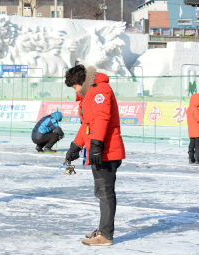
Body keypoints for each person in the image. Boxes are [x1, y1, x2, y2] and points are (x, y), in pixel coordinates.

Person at [64, 65, 125, 246]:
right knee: (101, 192)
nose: (75, 91)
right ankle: (102, 229)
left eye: (74, 87)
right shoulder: (89, 94)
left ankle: (106, 236)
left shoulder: (100, 90)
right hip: (99, 151)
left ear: (81, 82)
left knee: (105, 193)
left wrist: (97, 144)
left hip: (107, 151)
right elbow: (87, 125)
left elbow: (102, 118)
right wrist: (75, 146)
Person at [187, 93, 199, 164]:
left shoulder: (189, 109)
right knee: (198, 146)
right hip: (197, 131)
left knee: (191, 145)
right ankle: (198, 159)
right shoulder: (195, 110)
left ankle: (191, 158)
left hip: (191, 131)